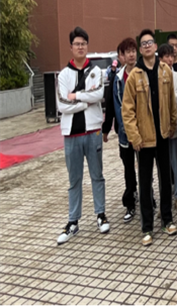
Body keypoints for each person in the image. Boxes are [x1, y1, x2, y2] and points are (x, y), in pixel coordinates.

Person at [122, 29, 177, 246]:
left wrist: (172, 124)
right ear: (140, 48)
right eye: (143, 43)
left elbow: (171, 101)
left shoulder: (165, 71)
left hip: (163, 134)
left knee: (166, 180)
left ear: (155, 46)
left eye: (150, 42)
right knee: (145, 183)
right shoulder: (134, 76)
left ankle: (167, 220)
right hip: (144, 140)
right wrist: (134, 137)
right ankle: (147, 228)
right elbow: (128, 111)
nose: (147, 46)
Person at [56, 27, 109, 245]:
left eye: (83, 44)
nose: (80, 47)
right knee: (74, 180)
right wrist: (86, 102)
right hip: (71, 134)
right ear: (71, 47)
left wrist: (76, 96)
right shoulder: (63, 75)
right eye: (77, 44)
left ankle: (101, 214)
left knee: (97, 175)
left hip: (93, 130)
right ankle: (73, 221)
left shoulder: (96, 71)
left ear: (87, 46)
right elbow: (62, 104)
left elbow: (99, 94)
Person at [112, 37, 139, 223]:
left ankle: (148, 197)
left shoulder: (142, 73)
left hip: (143, 132)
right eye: (127, 51)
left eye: (133, 51)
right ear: (122, 55)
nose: (131, 54)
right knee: (129, 169)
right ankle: (130, 203)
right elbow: (118, 106)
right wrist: (126, 129)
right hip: (125, 133)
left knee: (145, 168)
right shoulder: (118, 79)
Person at [157, 44, 177, 214]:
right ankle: (164, 199)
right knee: (163, 166)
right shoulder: (155, 77)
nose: (169, 59)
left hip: (176, 127)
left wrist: (166, 101)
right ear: (160, 59)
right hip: (159, 128)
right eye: (165, 56)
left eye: (171, 56)